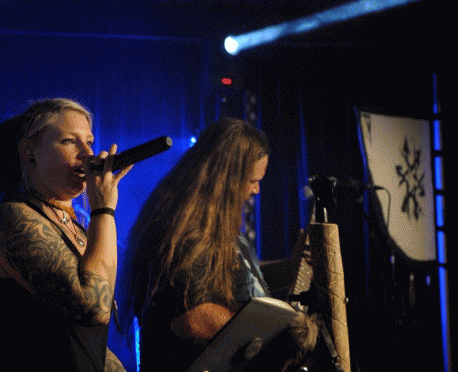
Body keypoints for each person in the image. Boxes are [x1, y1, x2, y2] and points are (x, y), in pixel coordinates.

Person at [119, 117, 318, 372]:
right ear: (226, 177)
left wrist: (290, 269)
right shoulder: (185, 227)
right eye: (252, 180)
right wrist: (276, 332)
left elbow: (234, 281)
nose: (257, 190)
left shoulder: (211, 223)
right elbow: (194, 317)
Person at [0, 98, 132, 371]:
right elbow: (93, 307)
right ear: (29, 151)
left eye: (89, 141)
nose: (87, 153)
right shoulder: (11, 220)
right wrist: (103, 209)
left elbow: (83, 344)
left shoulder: (77, 229)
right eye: (69, 141)